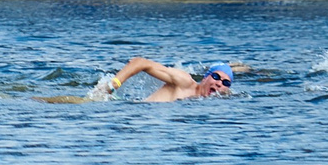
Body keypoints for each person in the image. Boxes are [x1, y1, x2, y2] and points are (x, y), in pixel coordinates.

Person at [95, 57, 234, 101]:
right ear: (205, 77)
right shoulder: (184, 82)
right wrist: (114, 84)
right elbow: (140, 62)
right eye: (216, 76)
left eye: (225, 82)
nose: (219, 83)